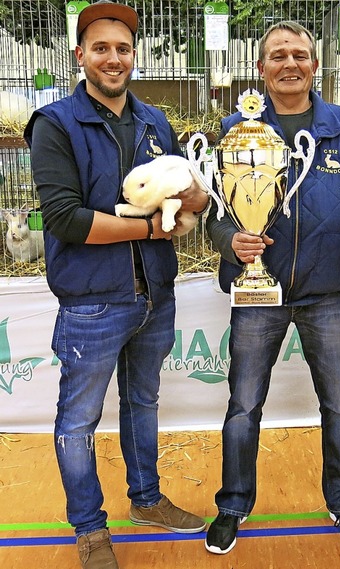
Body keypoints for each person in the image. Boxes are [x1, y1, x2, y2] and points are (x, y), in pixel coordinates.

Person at [24, 2, 209, 568]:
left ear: (135, 55)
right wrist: (152, 225)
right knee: (78, 419)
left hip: (154, 293)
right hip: (92, 302)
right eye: (100, 48)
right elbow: (66, 219)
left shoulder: (155, 123)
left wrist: (197, 200)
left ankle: (147, 499)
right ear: (80, 56)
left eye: (123, 48)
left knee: (143, 402)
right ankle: (88, 527)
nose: (113, 58)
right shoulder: (55, 124)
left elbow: (187, 202)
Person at [205, 20, 340, 556]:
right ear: (261, 68)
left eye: (301, 55)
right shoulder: (234, 128)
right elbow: (216, 214)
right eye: (278, 55)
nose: (290, 64)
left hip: (329, 292)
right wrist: (229, 241)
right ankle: (233, 505)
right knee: (243, 405)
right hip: (256, 292)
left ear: (316, 66)